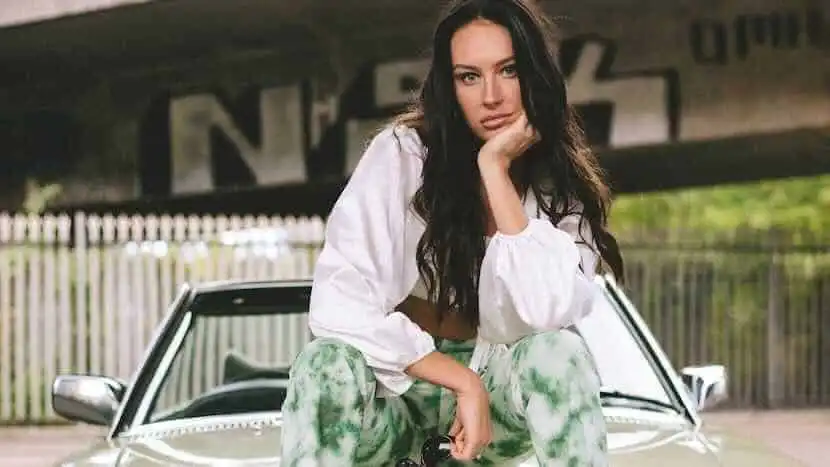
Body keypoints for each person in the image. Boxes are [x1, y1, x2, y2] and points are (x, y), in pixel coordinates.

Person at [280, 0, 625, 465]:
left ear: (534, 75)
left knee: (558, 352)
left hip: (498, 416)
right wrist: (463, 380)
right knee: (324, 365)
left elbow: (546, 314)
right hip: (394, 398)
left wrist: (495, 170)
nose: (491, 96)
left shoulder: (559, 186)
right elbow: (338, 302)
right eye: (469, 76)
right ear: (449, 86)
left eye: (508, 70)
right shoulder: (402, 156)